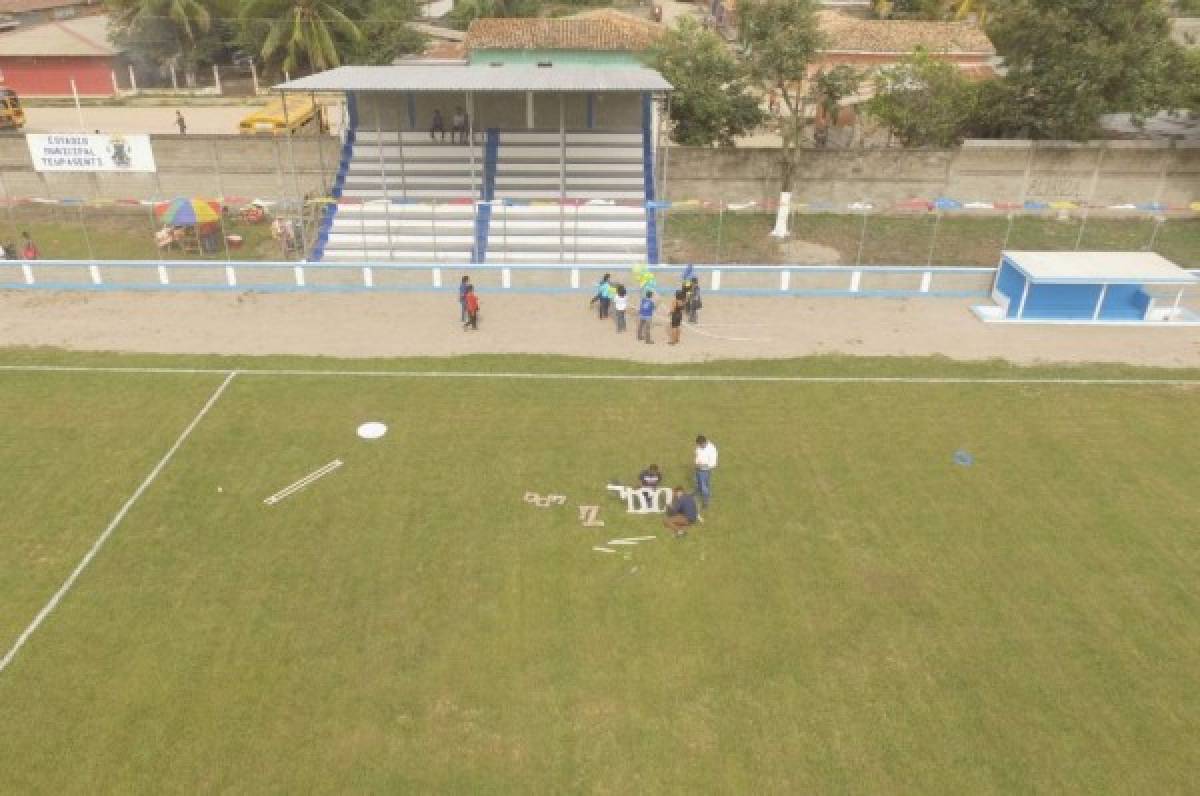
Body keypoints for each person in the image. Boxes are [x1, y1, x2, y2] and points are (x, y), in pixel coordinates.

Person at [694, 435, 718, 508]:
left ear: (704, 442)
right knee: (698, 481)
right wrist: (697, 462)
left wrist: (703, 466)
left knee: (704, 486)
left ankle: (705, 501)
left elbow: (713, 463)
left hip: (705, 470)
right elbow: (697, 454)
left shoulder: (712, 449)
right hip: (698, 468)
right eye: (698, 445)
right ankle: (698, 491)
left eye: (701, 445)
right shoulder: (699, 447)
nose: (699, 446)